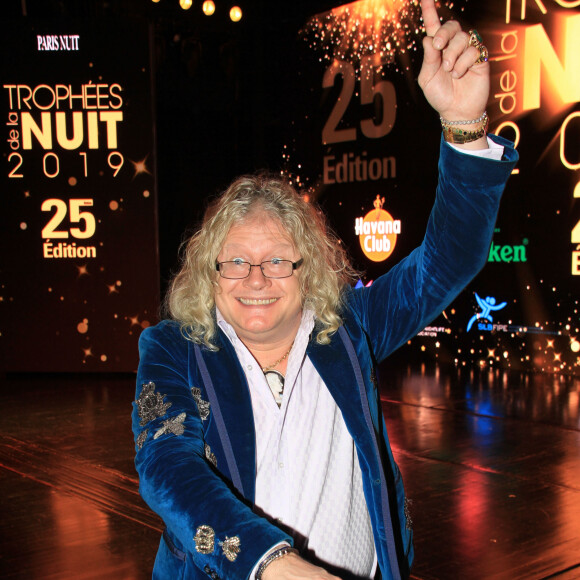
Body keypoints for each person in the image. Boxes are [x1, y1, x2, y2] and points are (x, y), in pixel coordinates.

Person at [132, 1, 518, 578]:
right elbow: (167, 466)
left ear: (308, 268)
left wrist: (464, 128)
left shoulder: (351, 326)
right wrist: (275, 565)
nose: (255, 279)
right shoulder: (172, 348)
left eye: (277, 261)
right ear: (208, 270)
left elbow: (448, 259)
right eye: (235, 260)